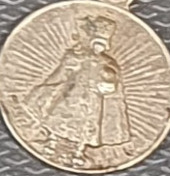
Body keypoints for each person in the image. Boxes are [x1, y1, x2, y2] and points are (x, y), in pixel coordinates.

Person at [23, 14, 133, 164]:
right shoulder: (78, 56)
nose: (99, 47)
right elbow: (62, 73)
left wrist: (108, 85)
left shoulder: (107, 62)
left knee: (86, 126)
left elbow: (113, 82)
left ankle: (79, 152)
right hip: (72, 94)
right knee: (60, 117)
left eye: (102, 44)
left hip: (93, 101)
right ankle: (52, 143)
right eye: (97, 42)